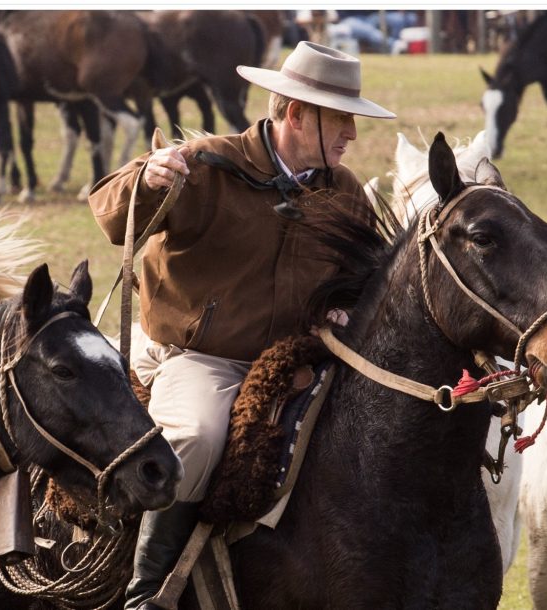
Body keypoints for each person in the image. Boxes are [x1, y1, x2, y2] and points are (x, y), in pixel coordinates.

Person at [88, 41, 395, 610]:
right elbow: (110, 213)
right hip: (201, 357)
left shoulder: (344, 191)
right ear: (297, 115)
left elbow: (364, 279)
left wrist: (347, 309)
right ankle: (147, 591)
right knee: (193, 440)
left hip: (302, 361)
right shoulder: (205, 166)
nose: (352, 134)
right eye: (342, 120)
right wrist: (146, 178)